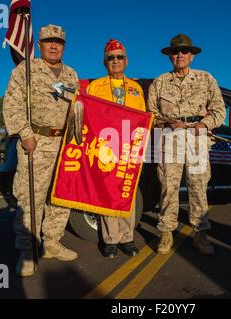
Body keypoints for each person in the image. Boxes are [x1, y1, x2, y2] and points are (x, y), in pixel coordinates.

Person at [3, 24, 79, 277]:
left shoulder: (71, 74)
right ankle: (27, 250)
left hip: (65, 144)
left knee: (61, 196)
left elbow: (78, 109)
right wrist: (25, 134)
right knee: (30, 198)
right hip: (36, 142)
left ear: (64, 46)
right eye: (49, 41)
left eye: (58, 41)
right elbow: (12, 104)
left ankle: (53, 242)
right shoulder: (25, 70)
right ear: (39, 45)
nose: (54, 45)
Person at [147, 34, 226, 256]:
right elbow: (151, 114)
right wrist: (167, 122)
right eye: (175, 52)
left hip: (197, 140)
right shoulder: (160, 81)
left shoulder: (206, 79)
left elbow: (220, 109)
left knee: (198, 188)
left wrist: (205, 123)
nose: (179, 55)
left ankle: (200, 234)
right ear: (170, 56)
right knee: (168, 189)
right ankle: (166, 233)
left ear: (192, 56)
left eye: (184, 51)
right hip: (170, 138)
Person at [86, 39, 145, 258]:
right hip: (105, 148)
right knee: (107, 194)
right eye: (111, 58)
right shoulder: (95, 87)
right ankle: (110, 240)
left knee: (127, 193)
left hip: (130, 148)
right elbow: (89, 119)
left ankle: (127, 238)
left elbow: (143, 122)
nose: (115, 61)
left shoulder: (136, 89)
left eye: (120, 57)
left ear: (126, 61)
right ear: (104, 62)